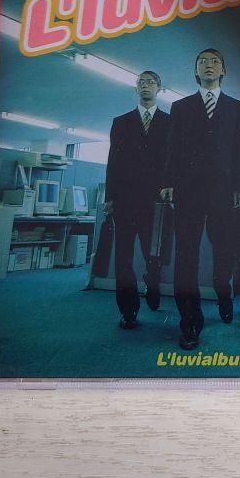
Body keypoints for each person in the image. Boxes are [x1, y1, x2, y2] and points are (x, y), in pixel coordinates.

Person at [160, 48, 240, 350]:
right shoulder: (180, 107)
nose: (208, 65)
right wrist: (168, 181)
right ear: (195, 71)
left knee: (224, 250)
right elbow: (172, 148)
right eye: (202, 62)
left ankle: (224, 292)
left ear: (223, 70)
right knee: (186, 255)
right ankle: (190, 321)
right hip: (189, 190)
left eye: (214, 62)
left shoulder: (237, 108)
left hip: (224, 190)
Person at [102, 70, 172, 330]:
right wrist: (110, 197)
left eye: (150, 82)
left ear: (159, 88)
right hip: (125, 199)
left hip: (156, 201)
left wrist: (170, 187)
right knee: (123, 257)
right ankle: (128, 310)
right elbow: (113, 161)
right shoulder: (121, 122)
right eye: (141, 82)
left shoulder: (170, 122)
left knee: (153, 254)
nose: (145, 85)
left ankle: (152, 282)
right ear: (136, 88)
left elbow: (173, 160)